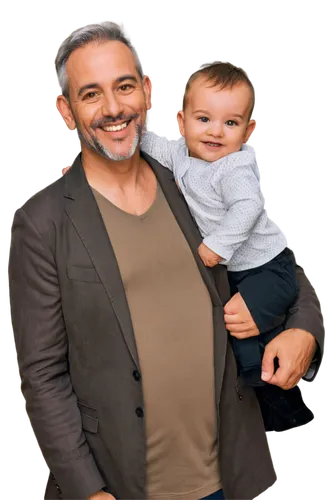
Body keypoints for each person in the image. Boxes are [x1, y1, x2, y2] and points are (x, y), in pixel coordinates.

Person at [7, 20, 325, 500]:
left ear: (148, 93)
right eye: (91, 94)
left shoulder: (193, 177)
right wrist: (87, 491)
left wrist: (306, 331)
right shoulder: (42, 223)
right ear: (65, 112)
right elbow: (43, 375)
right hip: (122, 485)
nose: (113, 108)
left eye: (124, 86)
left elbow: (270, 259)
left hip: (228, 477)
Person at [140, 60, 298, 388]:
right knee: (241, 342)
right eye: (204, 119)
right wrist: (92, 157)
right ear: (180, 123)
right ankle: (259, 384)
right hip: (237, 269)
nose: (215, 131)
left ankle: (272, 387)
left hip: (268, 266)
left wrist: (217, 244)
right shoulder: (181, 152)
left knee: (243, 323)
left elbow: (248, 207)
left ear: (248, 131)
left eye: (230, 122)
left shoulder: (233, 169)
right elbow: (148, 143)